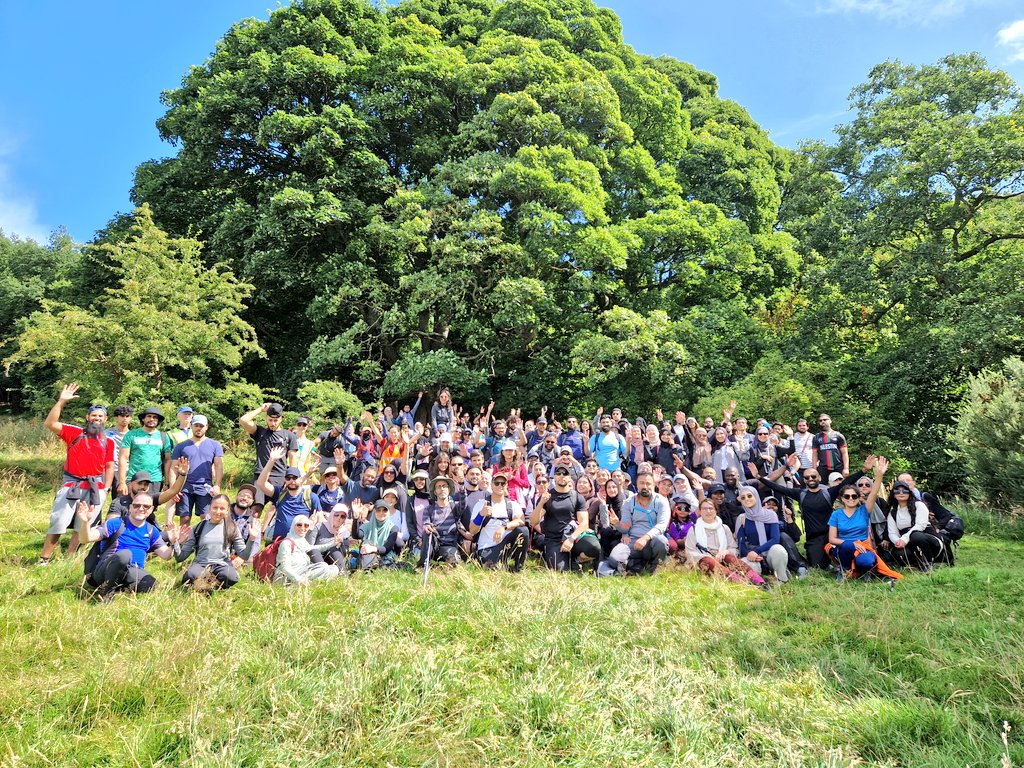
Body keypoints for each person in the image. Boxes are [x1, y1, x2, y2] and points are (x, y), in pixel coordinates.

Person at [756, 453, 874, 569]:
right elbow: (778, 488)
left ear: (819, 478)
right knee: (817, 566)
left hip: (831, 535)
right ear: (804, 480)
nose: (810, 479)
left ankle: (841, 561)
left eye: (813, 476)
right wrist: (759, 478)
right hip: (813, 538)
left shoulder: (829, 493)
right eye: (807, 477)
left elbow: (845, 483)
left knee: (840, 555)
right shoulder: (800, 494)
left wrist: (863, 470)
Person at [40, 384, 115, 564]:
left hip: (96, 487)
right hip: (72, 484)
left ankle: (69, 559)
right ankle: (44, 559)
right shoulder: (74, 432)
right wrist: (61, 401)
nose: (97, 418)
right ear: (88, 417)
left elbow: (109, 466)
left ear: (105, 419)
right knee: (59, 522)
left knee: (83, 526)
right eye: (94, 415)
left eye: (101, 416)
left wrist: (106, 488)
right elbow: (50, 423)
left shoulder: (108, 441)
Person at [77, 493, 176, 599]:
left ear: (151, 509)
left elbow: (166, 555)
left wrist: (174, 542)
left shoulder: (151, 530)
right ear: (130, 507)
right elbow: (85, 539)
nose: (141, 509)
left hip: (131, 571)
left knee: (151, 583)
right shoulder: (116, 523)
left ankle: (118, 588)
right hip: (105, 570)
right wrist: (85, 523)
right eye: (136, 505)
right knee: (125, 555)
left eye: (146, 506)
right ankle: (107, 593)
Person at [826, 457, 902, 582]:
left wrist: (879, 474)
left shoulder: (864, 510)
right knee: (847, 546)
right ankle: (844, 569)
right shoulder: (836, 514)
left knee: (867, 561)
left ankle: (864, 570)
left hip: (863, 547)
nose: (851, 498)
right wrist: (853, 544)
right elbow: (832, 539)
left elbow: (873, 493)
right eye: (847, 496)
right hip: (844, 548)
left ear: (858, 497)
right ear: (842, 498)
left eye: (854, 496)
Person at [170, 493, 260, 590]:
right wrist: (175, 542)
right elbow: (180, 557)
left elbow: (244, 556)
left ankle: (212, 586)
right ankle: (205, 583)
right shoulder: (198, 528)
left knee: (232, 577)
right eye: (215, 508)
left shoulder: (232, 528)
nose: (218, 511)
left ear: (227, 510)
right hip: (201, 564)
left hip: (222, 565)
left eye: (222, 508)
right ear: (209, 508)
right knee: (189, 577)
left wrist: (252, 538)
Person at [683, 498, 767, 588]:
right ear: (700, 511)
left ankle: (759, 582)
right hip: (704, 561)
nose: (708, 511)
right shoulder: (694, 529)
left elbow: (734, 549)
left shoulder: (724, 528)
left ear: (716, 511)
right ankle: (742, 584)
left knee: (729, 557)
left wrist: (725, 552)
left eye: (711, 508)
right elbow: (690, 552)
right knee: (708, 560)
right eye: (704, 508)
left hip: (722, 559)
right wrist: (706, 556)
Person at [534, 465, 601, 572]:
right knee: (559, 570)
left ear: (569, 477)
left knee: (594, 548)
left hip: (574, 536)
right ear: (554, 477)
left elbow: (584, 523)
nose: (562, 476)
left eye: (565, 473)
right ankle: (569, 561)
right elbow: (534, 521)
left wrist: (571, 539)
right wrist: (541, 503)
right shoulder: (547, 497)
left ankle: (576, 559)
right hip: (554, 540)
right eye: (558, 473)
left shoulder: (577, 497)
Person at [167, 414, 224, 526]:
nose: (199, 428)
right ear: (191, 426)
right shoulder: (181, 446)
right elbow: (173, 468)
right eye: (196, 425)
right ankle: (184, 538)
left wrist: (217, 485)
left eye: (201, 426)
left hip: (205, 486)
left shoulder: (215, 445)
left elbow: (219, 466)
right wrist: (173, 488)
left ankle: (204, 537)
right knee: (185, 518)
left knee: (206, 518)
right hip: (184, 486)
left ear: (206, 427)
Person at [256, 446, 322, 540]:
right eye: (288, 478)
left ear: (300, 479)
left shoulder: (311, 497)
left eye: (294, 478)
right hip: (279, 541)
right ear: (285, 480)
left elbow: (320, 519)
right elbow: (261, 483)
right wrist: (271, 461)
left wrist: (313, 524)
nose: (291, 481)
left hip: (300, 542)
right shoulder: (279, 493)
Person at [612, 471, 669, 574]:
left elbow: (662, 525)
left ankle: (655, 567)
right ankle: (635, 565)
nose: (645, 486)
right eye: (642, 483)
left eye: (648, 483)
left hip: (652, 540)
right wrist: (618, 525)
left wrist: (645, 538)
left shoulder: (661, 501)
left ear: (654, 485)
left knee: (661, 541)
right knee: (613, 559)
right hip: (633, 541)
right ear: (636, 484)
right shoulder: (629, 502)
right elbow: (625, 526)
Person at [239, 402, 298, 502]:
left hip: (280, 476)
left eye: (276, 420)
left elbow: (293, 459)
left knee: (280, 506)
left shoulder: (289, 436)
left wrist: (291, 478)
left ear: (281, 419)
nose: (273, 423)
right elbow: (243, 420)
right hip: (260, 475)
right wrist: (260, 409)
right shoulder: (259, 432)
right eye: (270, 420)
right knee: (256, 507)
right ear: (266, 418)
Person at [470, 473, 529, 571]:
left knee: (523, 531)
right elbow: (472, 530)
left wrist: (504, 526)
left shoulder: (512, 504)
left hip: (507, 544)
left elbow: (521, 520)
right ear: (491, 485)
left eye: (503, 483)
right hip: (487, 547)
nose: (500, 486)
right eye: (497, 483)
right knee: (493, 570)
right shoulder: (481, 504)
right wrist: (481, 515)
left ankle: (519, 567)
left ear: (506, 485)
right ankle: (501, 564)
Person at [734, 487, 790, 583]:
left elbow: (775, 539)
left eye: (749, 496)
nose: (746, 499)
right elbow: (740, 544)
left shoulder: (770, 515)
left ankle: (782, 579)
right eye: (743, 498)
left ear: (756, 496)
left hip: (770, 552)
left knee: (779, 550)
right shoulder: (742, 518)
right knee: (747, 567)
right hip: (752, 555)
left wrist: (757, 551)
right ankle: (761, 582)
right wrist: (750, 554)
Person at [886, 480, 945, 570]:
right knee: (898, 554)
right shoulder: (893, 513)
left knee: (916, 535)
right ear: (893, 494)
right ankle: (917, 563)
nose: (901, 493)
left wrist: (904, 539)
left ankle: (928, 563)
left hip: (928, 539)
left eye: (904, 490)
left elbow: (920, 525)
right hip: (909, 544)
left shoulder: (919, 505)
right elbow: (892, 532)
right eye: (897, 491)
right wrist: (898, 541)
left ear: (909, 493)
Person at [118, 407, 172, 498]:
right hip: (134, 478)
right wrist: (122, 482)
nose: (152, 419)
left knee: (151, 505)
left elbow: (167, 460)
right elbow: (123, 458)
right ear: (143, 419)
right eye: (149, 416)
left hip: (154, 479)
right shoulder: (131, 434)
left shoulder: (163, 436)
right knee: (131, 505)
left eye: (155, 417)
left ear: (158, 420)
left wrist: (167, 482)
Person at [274, 515, 343, 584]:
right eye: (299, 525)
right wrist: (299, 580)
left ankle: (309, 584)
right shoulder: (286, 543)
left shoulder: (302, 541)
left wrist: (333, 543)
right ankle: (304, 585)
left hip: (302, 572)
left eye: (306, 525)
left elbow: (315, 548)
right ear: (293, 526)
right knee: (323, 566)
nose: (302, 528)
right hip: (287, 577)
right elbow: (285, 567)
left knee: (334, 569)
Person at [421, 477, 462, 566]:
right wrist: (427, 527)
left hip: (449, 545)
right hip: (434, 544)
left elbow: (464, 503)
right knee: (426, 534)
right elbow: (426, 523)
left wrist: (462, 488)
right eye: (438, 487)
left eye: (444, 486)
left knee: (455, 562)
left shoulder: (455, 507)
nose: (442, 489)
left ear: (449, 490)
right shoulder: (429, 509)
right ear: (435, 491)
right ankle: (422, 565)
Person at [352, 499, 402, 570]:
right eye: (378, 510)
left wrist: (372, 549)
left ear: (388, 512)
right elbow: (356, 535)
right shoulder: (367, 526)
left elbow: (386, 549)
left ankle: (367, 569)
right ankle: (367, 570)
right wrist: (356, 517)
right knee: (367, 542)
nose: (381, 513)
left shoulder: (393, 528)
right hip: (369, 555)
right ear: (374, 512)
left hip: (385, 556)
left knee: (367, 546)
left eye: (384, 510)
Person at [812, 413, 849, 478]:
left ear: (830, 421)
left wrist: (846, 468)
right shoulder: (816, 437)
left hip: (838, 467)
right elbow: (814, 454)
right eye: (820, 421)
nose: (822, 422)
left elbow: (844, 453)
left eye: (825, 420)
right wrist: (814, 470)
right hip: (823, 469)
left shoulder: (838, 435)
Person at [105, 404, 133, 482]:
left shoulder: (133, 436)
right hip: (108, 469)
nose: (125, 418)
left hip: (126, 470)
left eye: (127, 416)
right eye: (122, 416)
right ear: (116, 418)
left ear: (131, 418)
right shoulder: (106, 433)